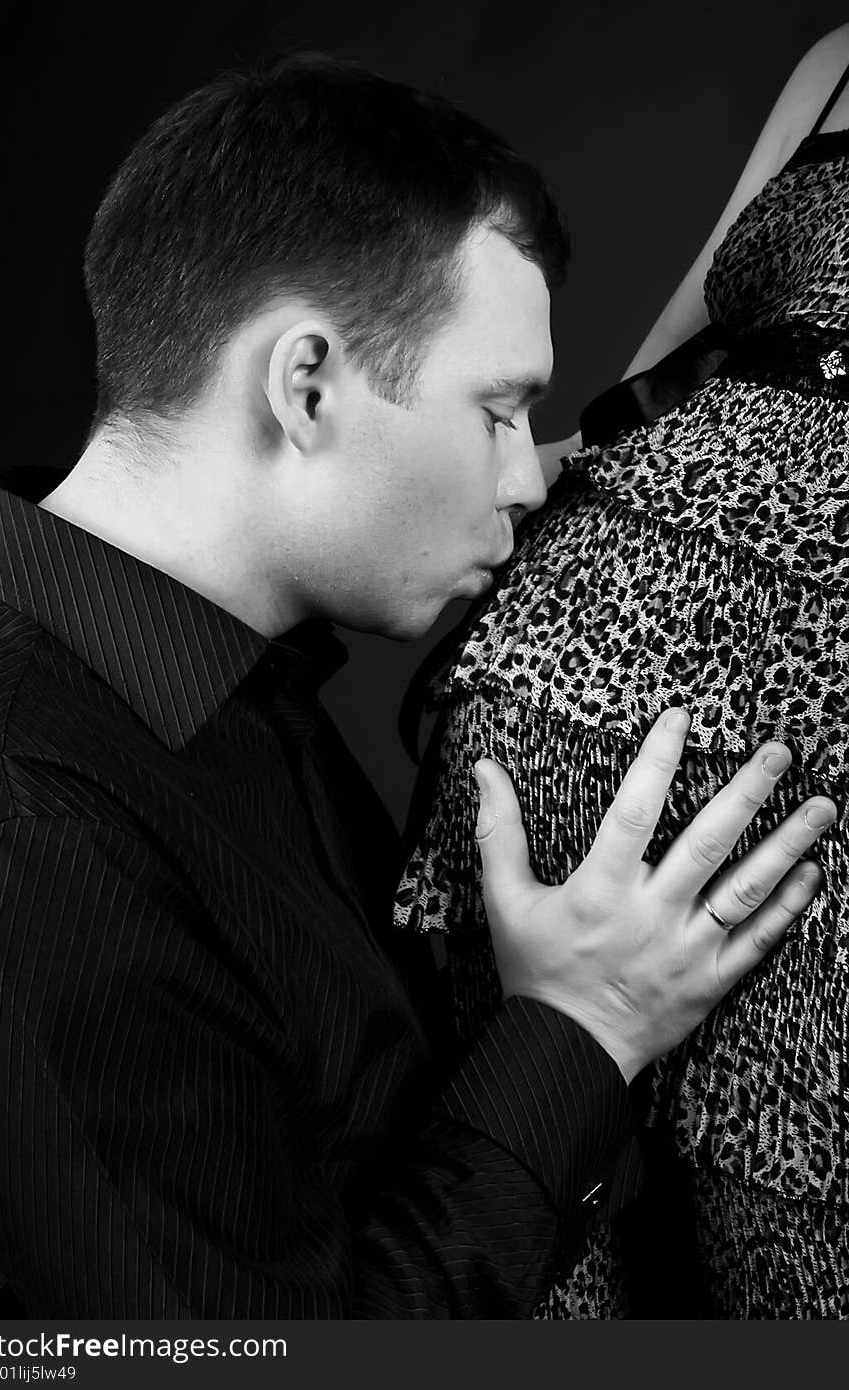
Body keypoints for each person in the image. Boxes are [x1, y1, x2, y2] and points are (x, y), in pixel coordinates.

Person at [0, 54, 834, 1320]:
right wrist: (578, 1035)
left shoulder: (211, 688)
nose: (529, 479)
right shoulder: (23, 819)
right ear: (303, 383)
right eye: (496, 410)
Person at [396, 25, 849, 1318]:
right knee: (545, 1208)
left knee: (792, 1227)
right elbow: (657, 369)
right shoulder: (832, 55)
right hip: (573, 662)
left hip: (822, 720)